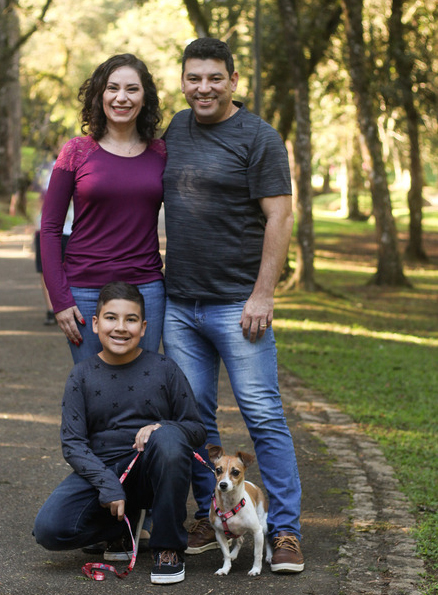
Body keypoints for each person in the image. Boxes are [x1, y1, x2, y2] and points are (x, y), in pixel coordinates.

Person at [162, 37, 304, 574]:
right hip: (181, 303)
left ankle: (285, 531)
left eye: (214, 78)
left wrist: (263, 293)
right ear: (183, 81)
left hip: (238, 305)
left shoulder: (260, 138)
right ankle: (212, 516)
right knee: (194, 420)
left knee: (263, 416)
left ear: (233, 81)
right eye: (194, 78)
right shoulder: (176, 128)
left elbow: (279, 217)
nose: (204, 88)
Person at [33, 282, 206, 585]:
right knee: (50, 530)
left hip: (152, 469)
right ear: (97, 323)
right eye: (112, 318)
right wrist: (107, 484)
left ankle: (168, 548)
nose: (121, 328)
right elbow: (73, 443)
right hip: (102, 472)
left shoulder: (165, 368)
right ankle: (122, 528)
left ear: (143, 326)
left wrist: (162, 427)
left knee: (167, 438)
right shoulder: (81, 375)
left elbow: (196, 429)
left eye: (131, 319)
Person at [40, 53, 166, 364]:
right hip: (85, 291)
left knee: (141, 391)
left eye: (132, 89)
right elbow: (51, 228)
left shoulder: (162, 153)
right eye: (113, 88)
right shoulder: (76, 151)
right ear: (100, 94)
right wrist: (59, 300)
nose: (121, 97)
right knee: (95, 392)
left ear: (145, 97)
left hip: (146, 290)